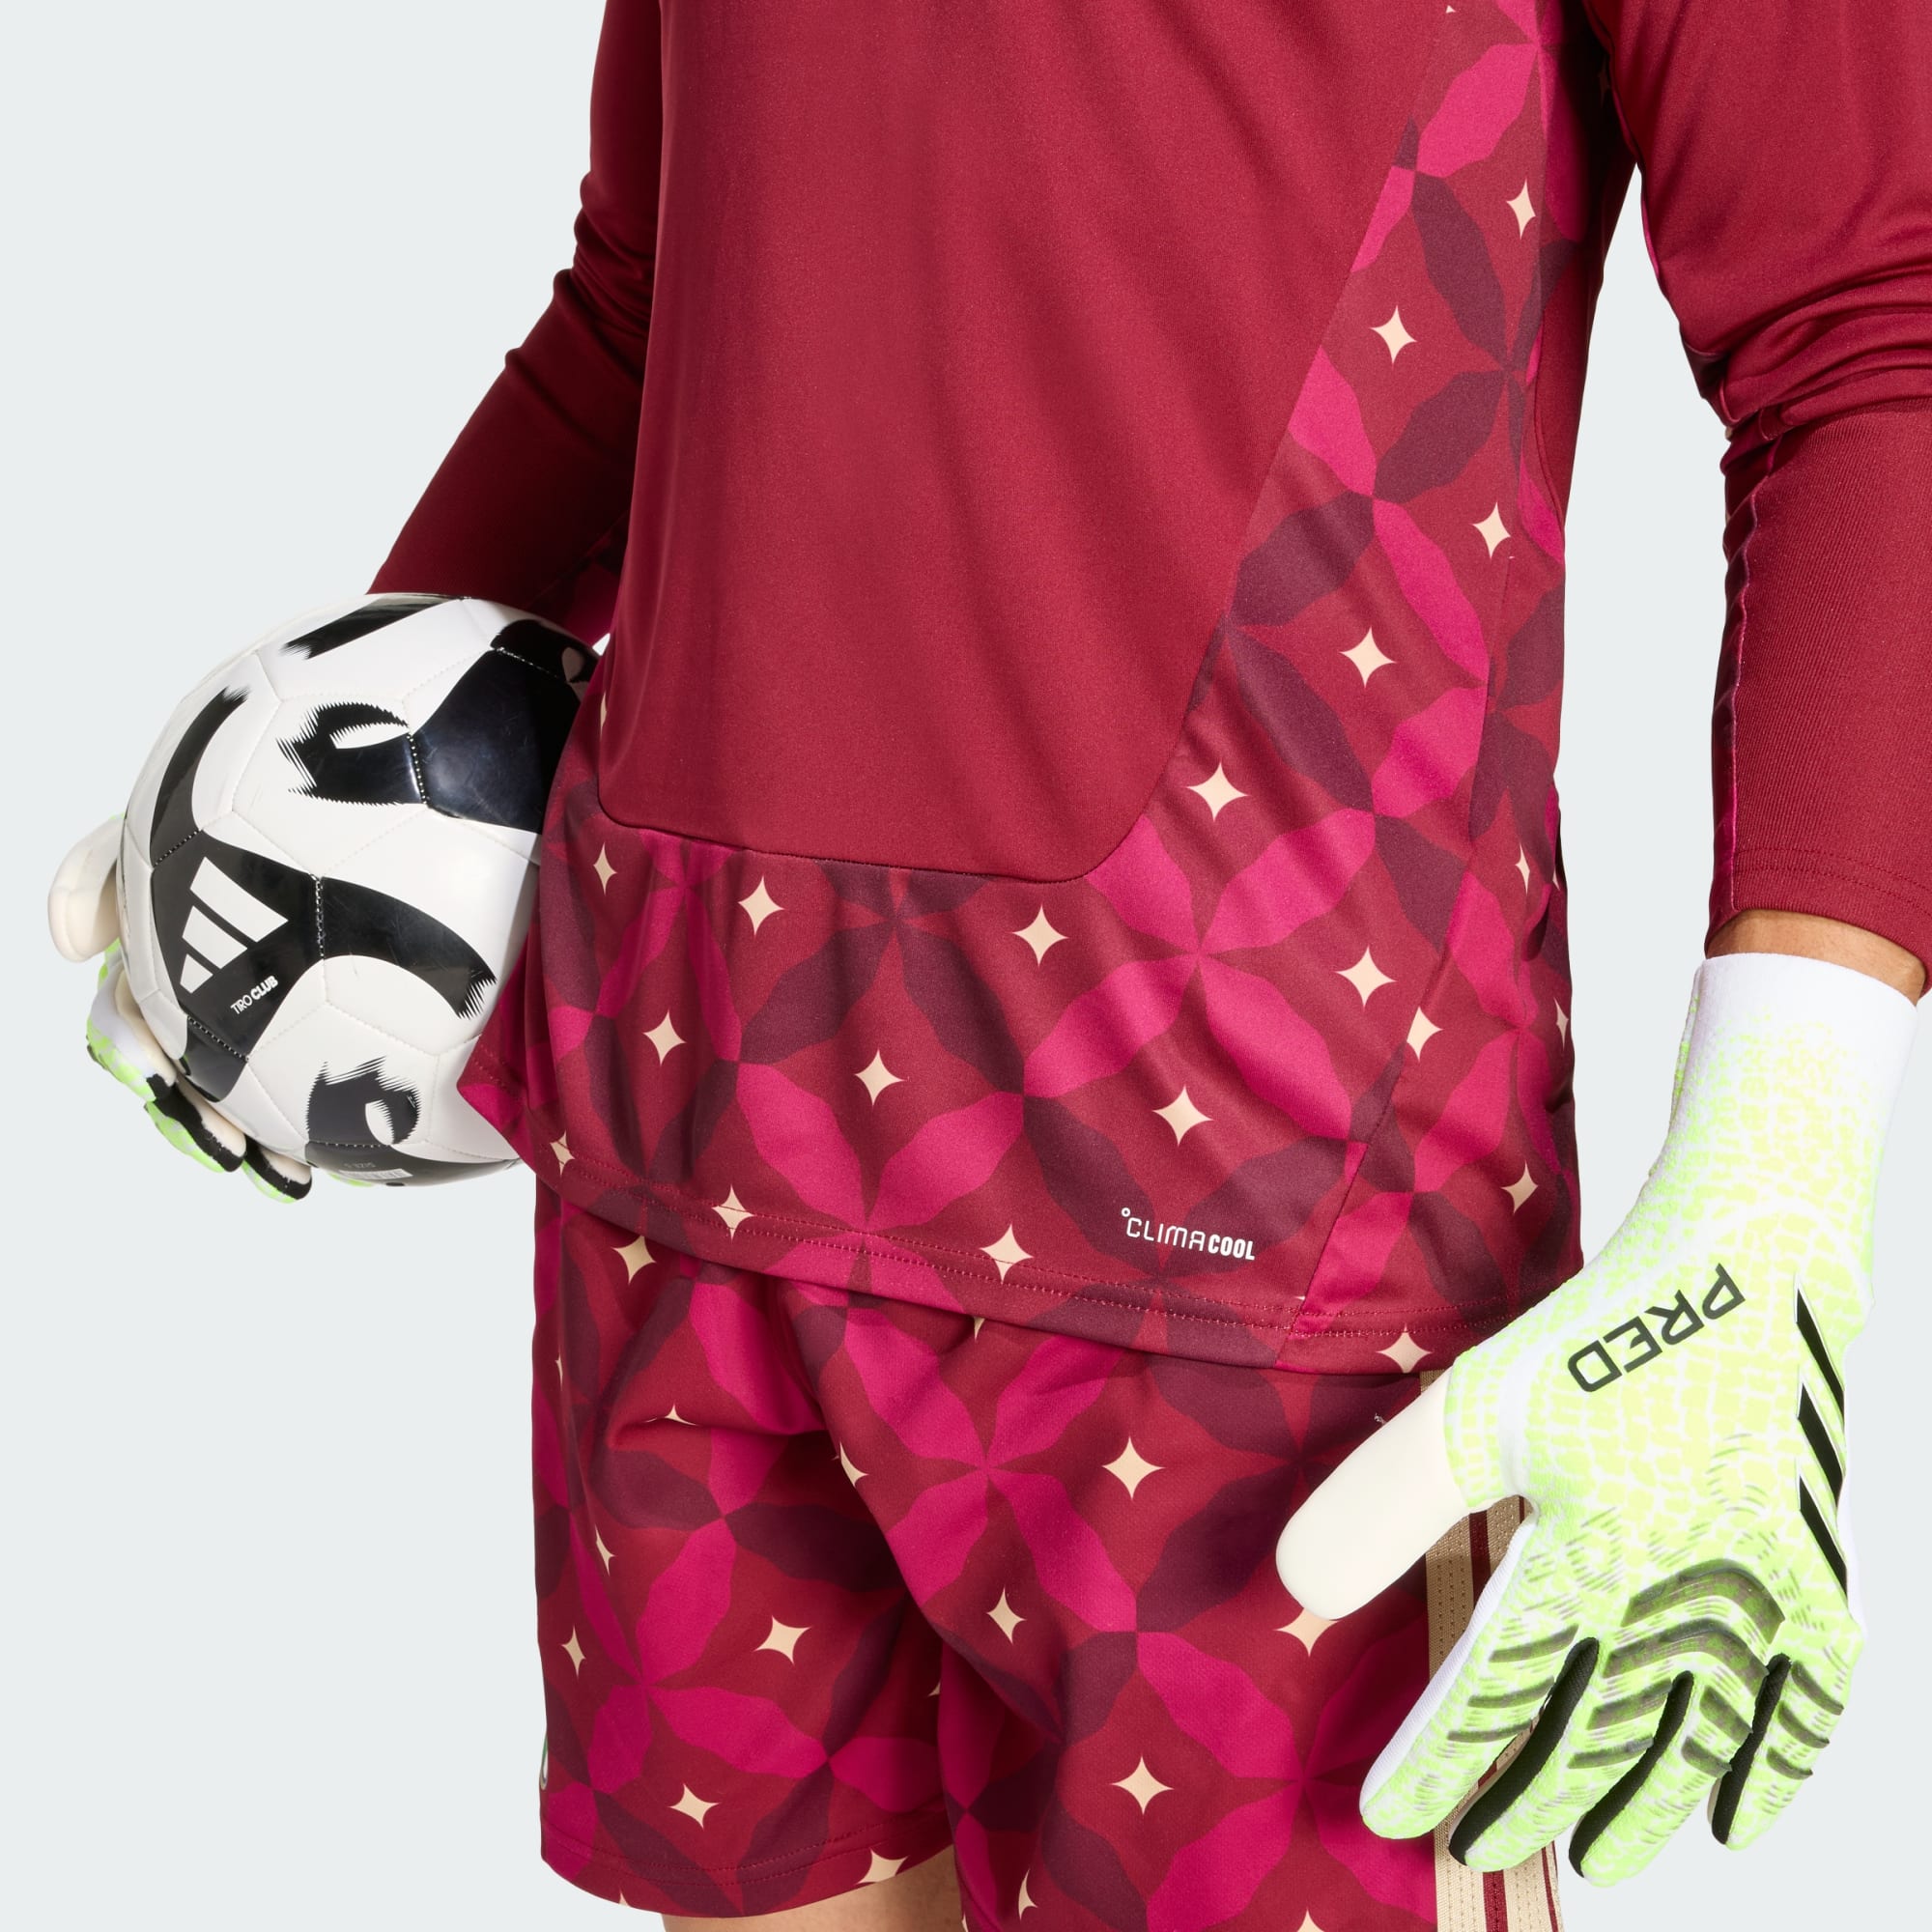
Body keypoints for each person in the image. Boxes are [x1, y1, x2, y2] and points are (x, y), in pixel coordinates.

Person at [54, 2, 1929, 1927]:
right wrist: (301, 795)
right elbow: (650, 293)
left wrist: (1778, 1161)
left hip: (1250, 1219)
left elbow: (1870, 333)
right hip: (686, 1126)